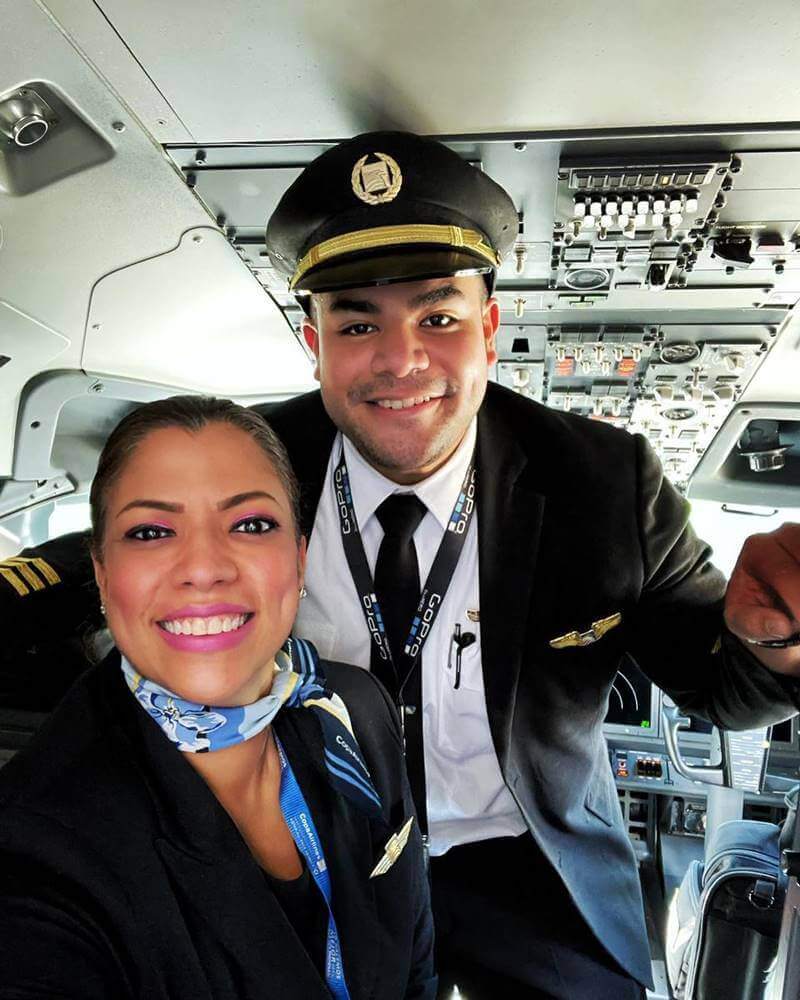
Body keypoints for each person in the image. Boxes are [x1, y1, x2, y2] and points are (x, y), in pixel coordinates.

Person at [2, 131, 800, 998]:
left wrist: (776, 638)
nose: (400, 359)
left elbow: (724, 694)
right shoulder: (252, 463)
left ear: (489, 329)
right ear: (316, 343)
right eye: (357, 322)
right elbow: (102, 568)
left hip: (526, 861)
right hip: (321, 839)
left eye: (438, 317)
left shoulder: (605, 483)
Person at [0, 396, 436, 1000]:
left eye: (251, 524)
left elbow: (413, 958)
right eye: (151, 532)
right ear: (101, 574)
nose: (204, 569)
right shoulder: (36, 848)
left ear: (300, 557)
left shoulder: (357, 707)